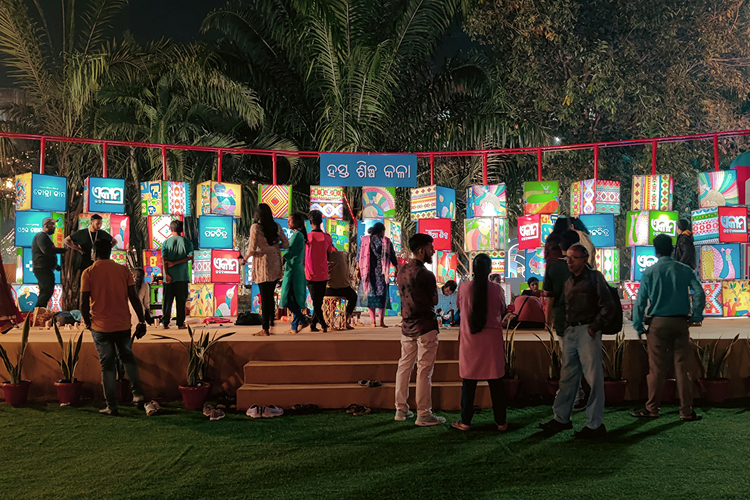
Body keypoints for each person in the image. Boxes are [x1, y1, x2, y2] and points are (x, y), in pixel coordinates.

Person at [538, 243, 613, 439]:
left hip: (587, 330)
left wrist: (593, 327)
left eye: (574, 258)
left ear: (585, 259)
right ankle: (561, 417)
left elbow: (608, 305)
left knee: (593, 379)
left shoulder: (595, 278)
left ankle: (595, 424)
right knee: (567, 377)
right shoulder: (570, 281)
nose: (569, 261)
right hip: (571, 330)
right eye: (568, 257)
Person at [631, 234, 705, 421]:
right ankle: (686, 411)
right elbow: (699, 293)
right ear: (672, 249)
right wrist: (696, 315)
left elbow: (640, 302)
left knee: (656, 369)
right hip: (680, 323)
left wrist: (638, 326)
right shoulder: (685, 269)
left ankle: (652, 408)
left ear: (656, 251)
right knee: (682, 369)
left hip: (658, 324)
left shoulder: (650, 272)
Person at [80, 240, 147, 416]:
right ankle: (138, 395)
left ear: (94, 253)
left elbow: (83, 302)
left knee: (107, 365)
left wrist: (87, 323)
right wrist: (141, 321)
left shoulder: (88, 273)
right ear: (109, 252)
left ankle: (112, 405)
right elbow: (133, 297)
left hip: (100, 326)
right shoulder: (123, 270)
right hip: (122, 324)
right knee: (128, 359)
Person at [451, 253, 509, 432]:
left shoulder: (463, 287)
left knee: (469, 383)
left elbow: (460, 308)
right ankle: (501, 422)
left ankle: (465, 422)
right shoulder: (498, 290)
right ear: (490, 269)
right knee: (496, 383)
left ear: (473, 269)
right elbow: (502, 309)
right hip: (492, 343)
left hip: (470, 341)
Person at [395, 233, 444, 426]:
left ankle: (400, 409)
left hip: (406, 326)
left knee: (404, 366)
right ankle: (423, 413)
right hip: (425, 326)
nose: (433, 251)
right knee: (424, 370)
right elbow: (435, 300)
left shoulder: (401, 271)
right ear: (422, 251)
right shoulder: (426, 275)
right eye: (431, 248)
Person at [245, 204, 289, 336]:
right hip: (275, 263)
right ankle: (270, 323)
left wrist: (244, 259)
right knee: (270, 295)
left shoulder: (256, 227)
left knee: (264, 297)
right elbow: (286, 244)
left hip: (263, 264)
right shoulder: (276, 226)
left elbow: (252, 248)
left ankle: (265, 328)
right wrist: (275, 246)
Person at [358, 222, 398, 327]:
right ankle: (381, 321)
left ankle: (373, 322)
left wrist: (358, 270)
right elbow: (392, 256)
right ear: (382, 231)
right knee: (382, 296)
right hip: (382, 272)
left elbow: (359, 255)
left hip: (367, 271)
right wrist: (396, 268)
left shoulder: (365, 240)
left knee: (370, 295)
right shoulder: (386, 241)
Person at [161, 220, 194, 330]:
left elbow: (164, 259)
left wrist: (167, 274)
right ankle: (180, 323)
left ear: (171, 229)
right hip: (182, 277)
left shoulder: (166, 243)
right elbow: (190, 257)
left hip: (168, 278)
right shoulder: (187, 242)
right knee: (181, 301)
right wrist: (176, 263)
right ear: (181, 229)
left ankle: (165, 322)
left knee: (167, 301)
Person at [280, 213, 309, 334]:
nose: (288, 223)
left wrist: (280, 260)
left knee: (287, 298)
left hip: (293, 270)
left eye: (290, 221)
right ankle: (295, 325)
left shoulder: (297, 235)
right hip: (294, 269)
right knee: (293, 298)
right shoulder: (298, 235)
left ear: (297, 222)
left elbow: (290, 251)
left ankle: (302, 319)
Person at [306, 210, 334, 332]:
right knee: (318, 301)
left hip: (310, 273)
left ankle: (322, 324)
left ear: (310, 222)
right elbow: (329, 253)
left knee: (316, 302)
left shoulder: (307, 237)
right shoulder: (327, 237)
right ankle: (314, 324)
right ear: (321, 222)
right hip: (323, 273)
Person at [31, 217, 65, 309]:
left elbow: (48, 254)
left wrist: (56, 266)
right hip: (42, 269)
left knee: (46, 291)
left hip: (44, 268)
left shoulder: (44, 237)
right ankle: (39, 312)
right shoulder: (41, 236)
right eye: (52, 225)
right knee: (46, 291)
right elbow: (47, 251)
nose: (54, 227)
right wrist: (64, 250)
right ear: (46, 226)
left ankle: (39, 311)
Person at [325, 250, 357, 329]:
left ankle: (321, 321)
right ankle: (345, 319)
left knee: (317, 299)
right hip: (343, 288)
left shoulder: (324, 258)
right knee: (353, 297)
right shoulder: (340, 256)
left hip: (328, 289)